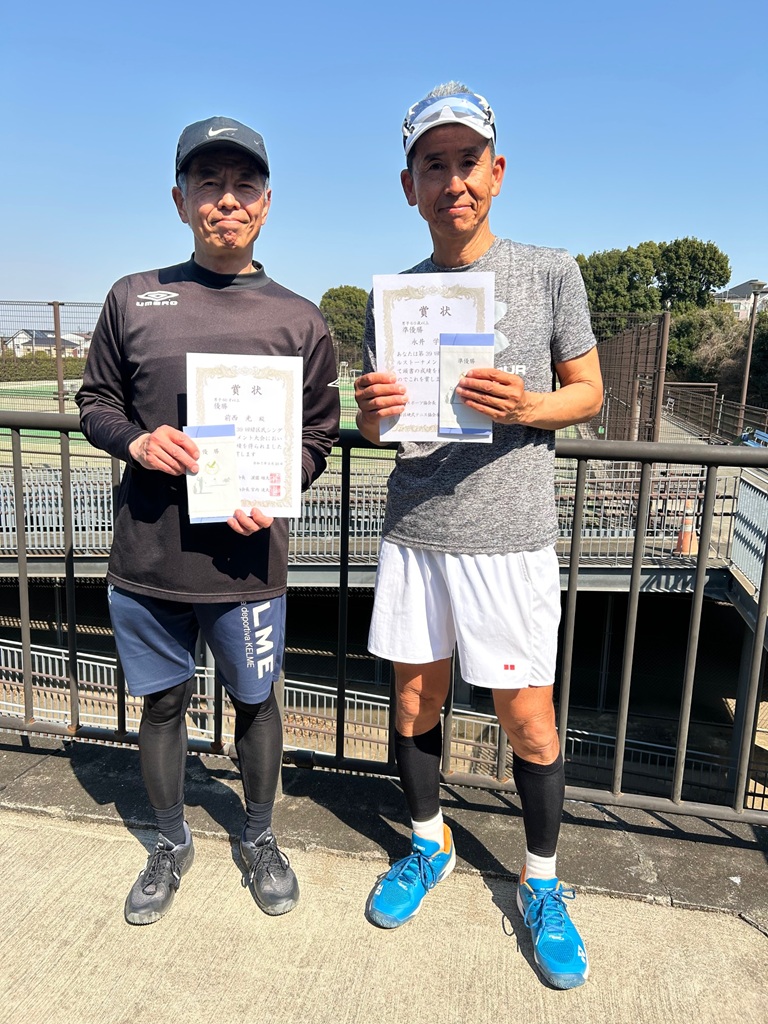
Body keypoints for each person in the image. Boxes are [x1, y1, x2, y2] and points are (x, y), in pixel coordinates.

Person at [353, 84, 603, 989]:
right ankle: (430, 845)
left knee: (528, 721)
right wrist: (371, 412)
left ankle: (542, 882)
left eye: (467, 161)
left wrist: (529, 406)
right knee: (413, 706)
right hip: (417, 529)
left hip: (511, 537)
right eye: (434, 165)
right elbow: (381, 430)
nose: (452, 180)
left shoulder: (549, 271)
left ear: (497, 172)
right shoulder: (394, 296)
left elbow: (589, 392)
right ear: (409, 186)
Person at [77, 116, 339, 925]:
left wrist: (282, 482)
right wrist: (135, 441)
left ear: (267, 201)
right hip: (149, 557)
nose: (227, 199)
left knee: (256, 704)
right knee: (162, 706)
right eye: (209, 184)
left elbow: (319, 435)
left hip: (248, 561)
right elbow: (95, 402)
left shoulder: (301, 319)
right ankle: (169, 840)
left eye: (244, 184)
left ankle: (259, 837)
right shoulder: (134, 296)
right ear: (180, 198)